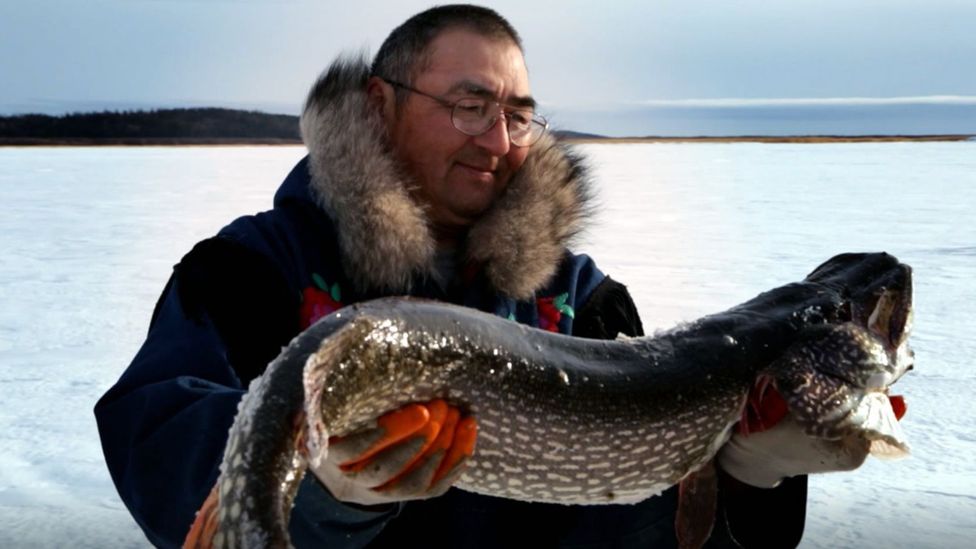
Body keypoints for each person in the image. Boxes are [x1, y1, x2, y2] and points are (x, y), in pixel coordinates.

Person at [96, 5, 848, 547]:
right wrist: (326, 491)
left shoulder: (582, 303)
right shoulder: (253, 269)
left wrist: (754, 479)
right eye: (468, 105)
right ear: (378, 105)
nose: (497, 139)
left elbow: (643, 526)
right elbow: (156, 434)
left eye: (519, 115)